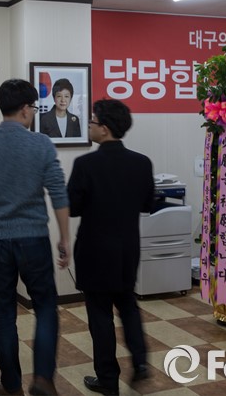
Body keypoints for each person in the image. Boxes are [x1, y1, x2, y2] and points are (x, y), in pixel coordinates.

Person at [0, 78, 71, 396]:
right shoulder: (40, 144)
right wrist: (65, 239)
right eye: (34, 108)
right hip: (33, 240)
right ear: (25, 109)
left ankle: (11, 385)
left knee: (4, 314)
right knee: (45, 307)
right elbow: (58, 194)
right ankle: (43, 379)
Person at [67, 99, 154, 395]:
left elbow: (73, 207)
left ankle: (108, 380)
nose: (89, 126)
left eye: (92, 121)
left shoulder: (85, 164)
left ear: (104, 129)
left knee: (100, 315)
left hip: (93, 250)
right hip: (128, 248)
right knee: (127, 304)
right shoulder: (142, 163)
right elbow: (147, 204)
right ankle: (140, 361)